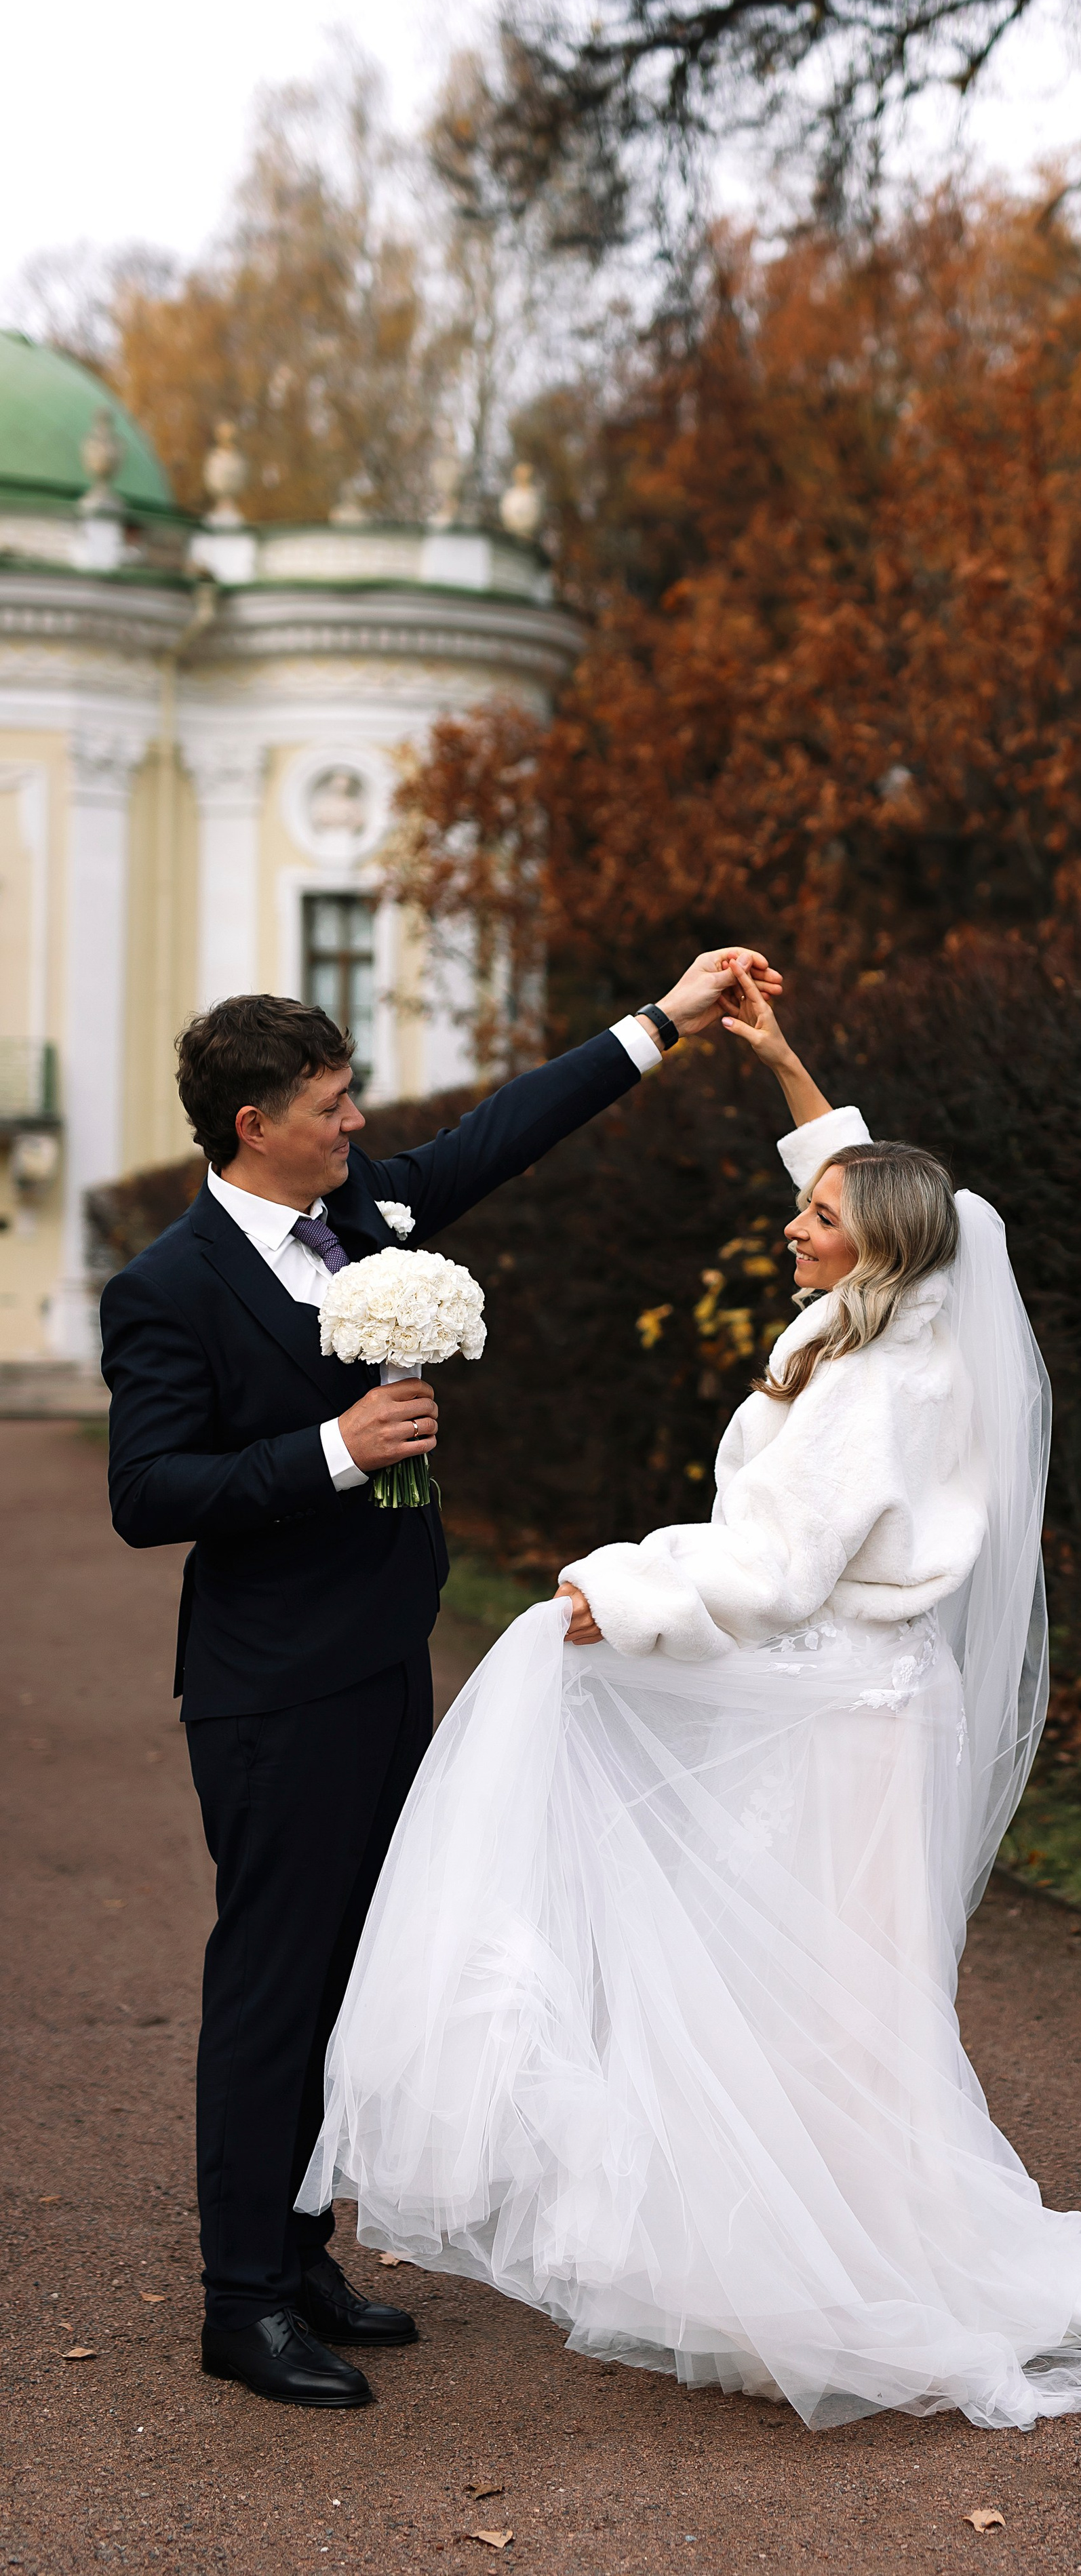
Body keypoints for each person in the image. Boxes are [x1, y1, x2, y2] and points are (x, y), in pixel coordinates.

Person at [298, 965, 1081, 2430]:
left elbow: (780, 1563)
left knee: (827, 1999)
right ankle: (791, 2262)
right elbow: (861, 1178)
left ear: (876, 1253)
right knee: (811, 1989)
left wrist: (625, 1594)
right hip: (847, 1702)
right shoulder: (895, 1317)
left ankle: (846, 2276)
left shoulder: (880, 1388)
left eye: (816, 1219)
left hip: (839, 1716)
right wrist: (781, 1064)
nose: (789, 1221)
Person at [100, 951, 782, 2410]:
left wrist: (664, 1022)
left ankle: (297, 2257)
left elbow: (505, 1131)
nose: (357, 1125)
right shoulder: (166, 1287)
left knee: (359, 1966)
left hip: (383, 1661)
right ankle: (240, 2303)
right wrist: (339, 1449)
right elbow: (149, 1491)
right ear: (249, 1126)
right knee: (276, 1983)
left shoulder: (365, 1217)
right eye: (331, 1107)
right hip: (270, 1688)